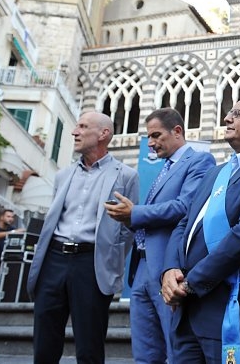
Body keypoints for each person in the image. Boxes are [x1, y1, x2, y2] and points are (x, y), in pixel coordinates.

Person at [161, 94, 240, 364]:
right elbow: (185, 223)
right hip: (189, 310)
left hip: (230, 307)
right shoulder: (215, 173)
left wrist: (193, 282)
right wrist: (170, 269)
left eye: (239, 114)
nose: (227, 118)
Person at [27, 111, 139, 364]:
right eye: (76, 126)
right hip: (53, 260)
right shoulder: (62, 175)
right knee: (44, 343)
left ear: (103, 134)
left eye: (82, 127)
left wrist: (109, 258)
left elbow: (128, 228)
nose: (74, 132)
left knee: (89, 345)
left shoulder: (126, 176)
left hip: (92, 265)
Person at [106, 108, 215, 363]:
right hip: (141, 267)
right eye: (149, 136)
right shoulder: (166, 168)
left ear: (177, 131)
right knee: (145, 354)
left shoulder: (199, 161)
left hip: (167, 268)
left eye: (156, 135)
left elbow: (185, 206)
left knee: (174, 350)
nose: (151, 143)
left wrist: (134, 213)